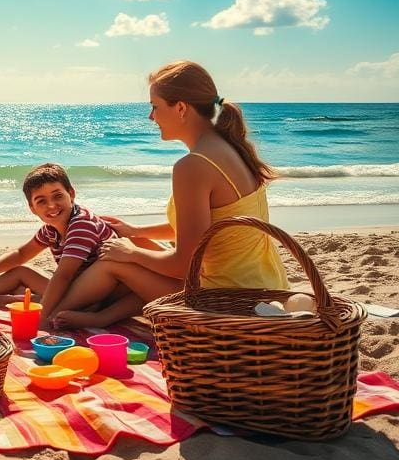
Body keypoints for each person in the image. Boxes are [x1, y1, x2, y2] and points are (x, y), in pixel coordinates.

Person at [51, 60, 290, 330]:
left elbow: (182, 265)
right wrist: (136, 231)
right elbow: (204, 228)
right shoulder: (231, 149)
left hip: (228, 302)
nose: (150, 117)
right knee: (137, 246)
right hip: (265, 288)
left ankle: (48, 321)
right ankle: (101, 315)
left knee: (111, 262)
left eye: (154, 106)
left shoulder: (194, 165)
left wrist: (130, 253)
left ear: (181, 108)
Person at [0, 163, 142, 330]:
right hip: (77, 286)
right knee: (20, 271)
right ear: (32, 208)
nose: (52, 206)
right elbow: (21, 253)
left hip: (105, 293)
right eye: (41, 201)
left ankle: (30, 302)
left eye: (58, 196)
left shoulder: (82, 224)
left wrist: (42, 318)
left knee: (57, 306)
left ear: (71, 194)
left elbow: (63, 276)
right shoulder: (51, 229)